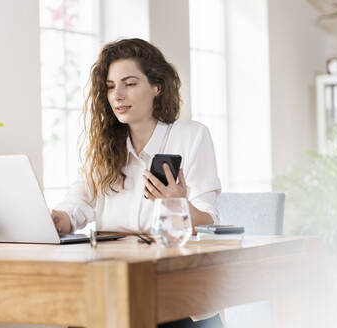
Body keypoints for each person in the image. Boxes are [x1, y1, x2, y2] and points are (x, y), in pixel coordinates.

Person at [51, 38, 222, 327]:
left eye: (129, 83)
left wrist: (177, 205)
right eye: (110, 86)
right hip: (113, 287)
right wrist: (60, 219)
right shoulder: (105, 148)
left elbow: (211, 223)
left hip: (176, 294)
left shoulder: (191, 137)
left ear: (157, 87)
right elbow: (77, 204)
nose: (117, 94)